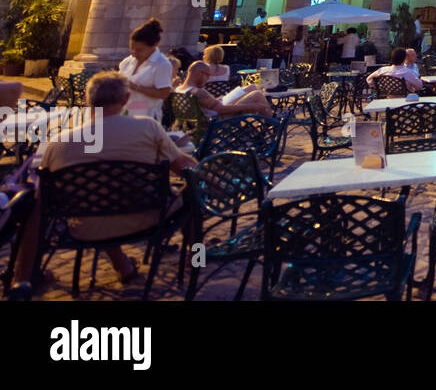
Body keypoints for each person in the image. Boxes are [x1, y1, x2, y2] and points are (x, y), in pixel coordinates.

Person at [27, 72, 197, 285]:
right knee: (192, 198)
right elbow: (183, 167)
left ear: (87, 101)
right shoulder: (147, 128)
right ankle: (199, 257)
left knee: (97, 195)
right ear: (126, 99)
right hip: (148, 217)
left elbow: (44, 195)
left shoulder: (59, 143)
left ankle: (122, 266)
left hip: (88, 226)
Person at [121, 18, 174, 122]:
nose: (134, 53)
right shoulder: (128, 61)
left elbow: (164, 93)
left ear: (154, 46)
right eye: (132, 48)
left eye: (139, 50)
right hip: (125, 111)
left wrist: (136, 87)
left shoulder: (162, 64)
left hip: (146, 115)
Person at [176, 61, 272, 118]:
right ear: (200, 74)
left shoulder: (180, 89)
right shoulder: (197, 92)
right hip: (219, 119)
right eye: (207, 75)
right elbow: (221, 109)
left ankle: (270, 120)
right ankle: (272, 122)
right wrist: (252, 106)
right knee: (256, 95)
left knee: (251, 87)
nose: (208, 79)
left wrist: (215, 100)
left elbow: (211, 106)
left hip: (215, 111)